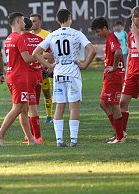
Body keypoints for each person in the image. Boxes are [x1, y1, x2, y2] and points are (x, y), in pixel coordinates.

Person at [33, 9, 96, 147]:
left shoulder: (53, 35)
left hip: (59, 72)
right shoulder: (76, 33)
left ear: (57, 20)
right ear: (69, 18)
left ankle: (59, 140)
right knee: (74, 107)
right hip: (72, 72)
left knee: (59, 107)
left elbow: (36, 53)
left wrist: (49, 65)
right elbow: (92, 50)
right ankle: (74, 140)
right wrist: (85, 65)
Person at [0, 12, 36, 146]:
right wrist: (45, 57)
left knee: (24, 109)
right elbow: (27, 58)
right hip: (19, 78)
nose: (25, 23)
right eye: (23, 21)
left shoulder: (9, 38)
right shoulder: (19, 38)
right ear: (17, 22)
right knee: (17, 108)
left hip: (12, 75)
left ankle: (31, 140)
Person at [91, 16, 125, 144]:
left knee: (114, 106)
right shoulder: (109, 39)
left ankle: (120, 137)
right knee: (103, 103)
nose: (97, 34)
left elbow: (118, 52)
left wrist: (114, 67)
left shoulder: (111, 38)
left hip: (114, 77)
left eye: (98, 31)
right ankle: (119, 133)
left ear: (105, 28)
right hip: (111, 77)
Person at [21, 17, 44, 143]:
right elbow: (51, 53)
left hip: (27, 77)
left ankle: (36, 136)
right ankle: (30, 135)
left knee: (29, 107)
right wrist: (45, 64)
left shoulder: (21, 39)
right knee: (32, 106)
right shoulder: (39, 39)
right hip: (38, 75)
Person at [119, 6, 139, 142]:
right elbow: (130, 53)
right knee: (122, 102)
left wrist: (136, 34)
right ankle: (122, 134)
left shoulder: (134, 33)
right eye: (132, 16)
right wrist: (126, 73)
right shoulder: (131, 33)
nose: (132, 19)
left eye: (135, 16)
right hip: (132, 73)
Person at [30, 14, 53, 123]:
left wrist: (48, 64)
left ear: (40, 22)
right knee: (32, 94)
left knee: (46, 92)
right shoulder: (27, 35)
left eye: (34, 21)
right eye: (31, 21)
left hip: (42, 69)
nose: (32, 23)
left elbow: (52, 52)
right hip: (32, 70)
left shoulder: (47, 35)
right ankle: (33, 116)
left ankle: (49, 116)